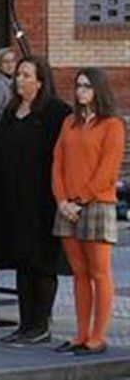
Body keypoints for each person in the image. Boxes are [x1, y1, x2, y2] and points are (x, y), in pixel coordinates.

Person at [0, 55, 70, 345]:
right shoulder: (11, 112)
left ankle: (41, 324)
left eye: (25, 75)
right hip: (13, 198)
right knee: (22, 260)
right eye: (17, 75)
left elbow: (63, 157)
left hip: (43, 199)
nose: (18, 79)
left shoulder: (56, 112)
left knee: (42, 262)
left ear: (40, 81)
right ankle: (25, 324)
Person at [51, 68, 126, 356]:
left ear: (98, 90)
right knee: (79, 273)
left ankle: (97, 336)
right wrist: (62, 201)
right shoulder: (69, 122)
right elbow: (57, 163)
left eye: (87, 86)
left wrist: (80, 201)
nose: (81, 91)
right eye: (78, 86)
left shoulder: (113, 125)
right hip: (67, 207)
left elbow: (108, 170)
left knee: (99, 272)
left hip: (96, 205)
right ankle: (80, 335)